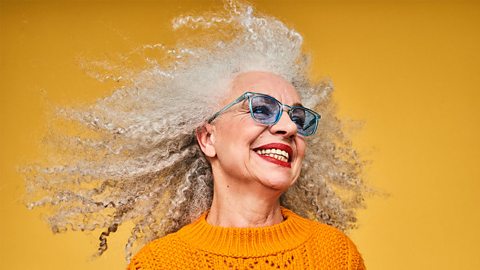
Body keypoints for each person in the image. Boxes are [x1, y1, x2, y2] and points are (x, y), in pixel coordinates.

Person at [23, 1, 367, 269]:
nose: (289, 127)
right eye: (261, 108)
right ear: (207, 138)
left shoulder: (335, 256)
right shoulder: (160, 264)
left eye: (298, 116)